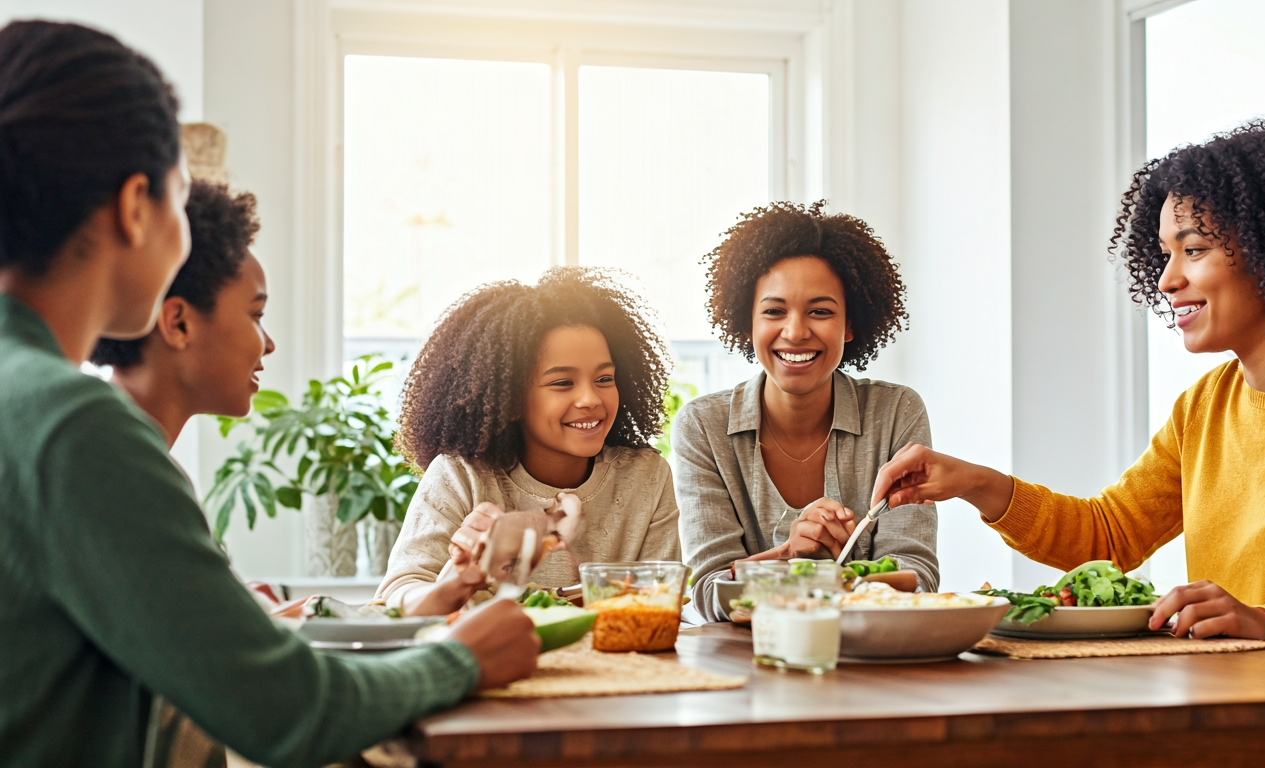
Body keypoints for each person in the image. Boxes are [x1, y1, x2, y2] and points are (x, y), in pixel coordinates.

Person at [0, 21, 537, 767]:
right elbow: (283, 715)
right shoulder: (73, 424)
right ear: (134, 205)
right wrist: (464, 659)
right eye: (179, 198)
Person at [872, 119, 1265, 662]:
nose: (1166, 279)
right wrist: (977, 483)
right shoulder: (1206, 405)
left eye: (1193, 249)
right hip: (1228, 709)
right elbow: (1109, 535)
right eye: (1164, 254)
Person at [674, 201, 939, 623]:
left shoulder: (895, 413)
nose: (796, 332)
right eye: (774, 311)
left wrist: (802, 577)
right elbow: (708, 594)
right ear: (748, 323)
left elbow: (919, 577)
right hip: (747, 665)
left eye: (820, 311)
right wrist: (789, 555)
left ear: (850, 325)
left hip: (869, 665)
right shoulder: (703, 427)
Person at [375, 267, 681, 616]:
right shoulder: (461, 475)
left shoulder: (647, 476)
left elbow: (662, 593)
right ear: (510, 397)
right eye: (562, 383)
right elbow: (398, 595)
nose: (589, 399)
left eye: (604, 378)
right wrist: (463, 579)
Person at [89, 178, 274, 448]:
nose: (269, 345)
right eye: (256, 315)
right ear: (178, 324)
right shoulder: (127, 472)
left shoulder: (102, 440)